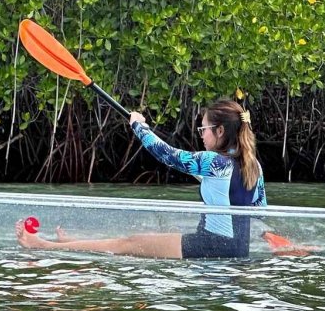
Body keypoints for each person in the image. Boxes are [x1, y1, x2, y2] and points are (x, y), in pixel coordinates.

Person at [17, 96, 265, 259]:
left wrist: (138, 126)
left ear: (220, 131)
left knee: (129, 243)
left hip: (211, 247)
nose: (201, 135)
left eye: (203, 129)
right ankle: (75, 243)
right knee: (130, 242)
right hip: (239, 251)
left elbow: (167, 155)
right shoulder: (254, 166)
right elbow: (259, 212)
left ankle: (44, 246)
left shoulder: (213, 163)